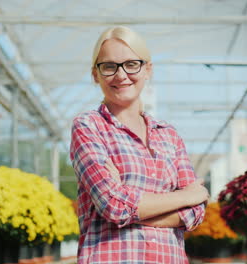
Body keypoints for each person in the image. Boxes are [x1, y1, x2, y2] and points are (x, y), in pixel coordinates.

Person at [70, 26, 209, 263]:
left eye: (131, 64)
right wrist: (189, 195)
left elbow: (196, 213)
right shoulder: (89, 126)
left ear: (148, 70)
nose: (121, 75)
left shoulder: (168, 135)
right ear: (95, 74)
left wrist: (130, 204)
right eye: (109, 66)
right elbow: (114, 205)